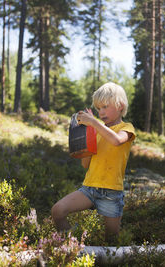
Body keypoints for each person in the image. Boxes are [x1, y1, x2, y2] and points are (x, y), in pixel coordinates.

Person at [51, 82, 135, 243]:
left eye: (105, 106)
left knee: (111, 241)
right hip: (89, 189)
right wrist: (85, 135)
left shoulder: (127, 128)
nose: (101, 112)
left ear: (120, 106)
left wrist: (94, 123)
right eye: (98, 108)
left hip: (111, 193)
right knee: (58, 210)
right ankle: (73, 245)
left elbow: (116, 140)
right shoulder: (96, 130)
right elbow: (85, 164)